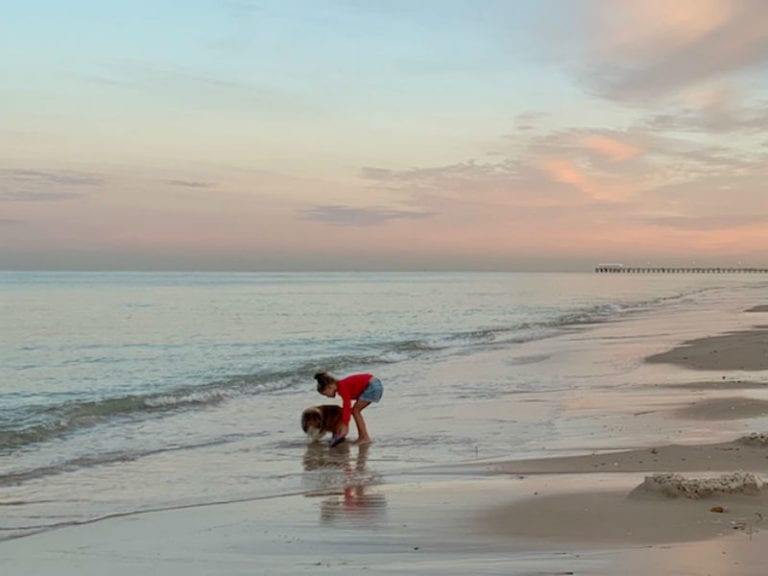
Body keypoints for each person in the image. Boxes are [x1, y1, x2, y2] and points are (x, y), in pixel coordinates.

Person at [314, 371, 383, 444]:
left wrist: (345, 425)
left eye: (325, 394)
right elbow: (347, 408)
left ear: (330, 386)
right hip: (373, 384)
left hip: (372, 385)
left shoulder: (342, 387)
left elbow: (347, 404)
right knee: (354, 411)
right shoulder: (341, 386)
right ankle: (362, 436)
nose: (327, 396)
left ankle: (364, 437)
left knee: (355, 411)